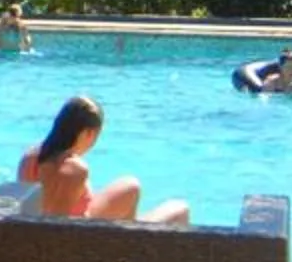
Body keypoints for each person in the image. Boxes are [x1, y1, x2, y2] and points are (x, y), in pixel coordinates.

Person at [19, 94, 189, 223]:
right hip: (83, 241)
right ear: (88, 133)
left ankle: (129, 237)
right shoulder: (73, 169)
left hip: (36, 236)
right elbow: (61, 227)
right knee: (180, 209)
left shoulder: (30, 158)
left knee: (130, 186)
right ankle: (130, 248)